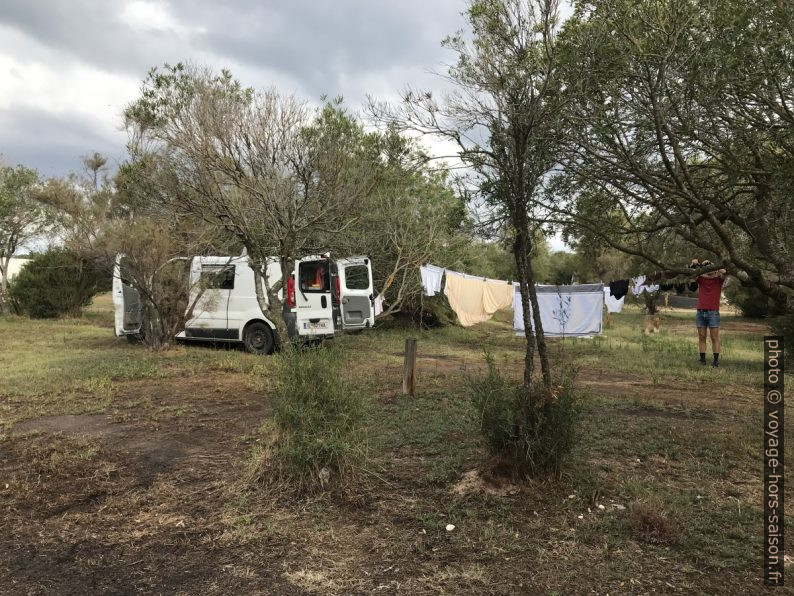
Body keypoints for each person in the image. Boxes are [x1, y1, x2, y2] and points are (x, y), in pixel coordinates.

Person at [690, 259, 727, 367]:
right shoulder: (701, 278)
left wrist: (713, 264)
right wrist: (696, 264)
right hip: (700, 311)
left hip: (713, 312)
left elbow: (724, 271)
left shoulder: (719, 279)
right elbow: (693, 275)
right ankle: (702, 360)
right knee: (701, 337)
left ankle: (715, 361)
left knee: (714, 337)